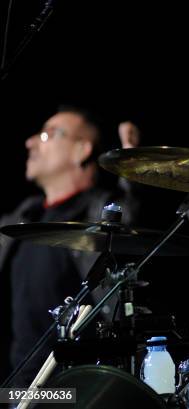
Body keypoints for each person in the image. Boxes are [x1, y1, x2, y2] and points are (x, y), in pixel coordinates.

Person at [0, 105, 141, 386]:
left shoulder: (98, 212)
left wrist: (133, 168)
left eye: (47, 135)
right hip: (17, 392)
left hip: (79, 390)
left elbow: (130, 214)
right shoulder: (25, 216)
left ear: (82, 150)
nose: (30, 142)